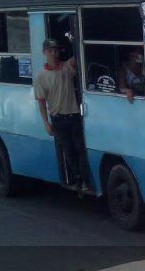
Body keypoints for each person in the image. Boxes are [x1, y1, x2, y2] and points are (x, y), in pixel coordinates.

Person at [34, 38, 91, 191]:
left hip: (73, 115)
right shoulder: (40, 76)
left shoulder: (66, 67)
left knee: (80, 149)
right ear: (44, 53)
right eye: (50, 51)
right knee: (68, 151)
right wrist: (46, 123)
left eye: (56, 50)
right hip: (57, 118)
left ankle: (86, 181)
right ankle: (77, 179)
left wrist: (75, 40)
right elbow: (41, 102)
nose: (53, 54)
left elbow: (79, 56)